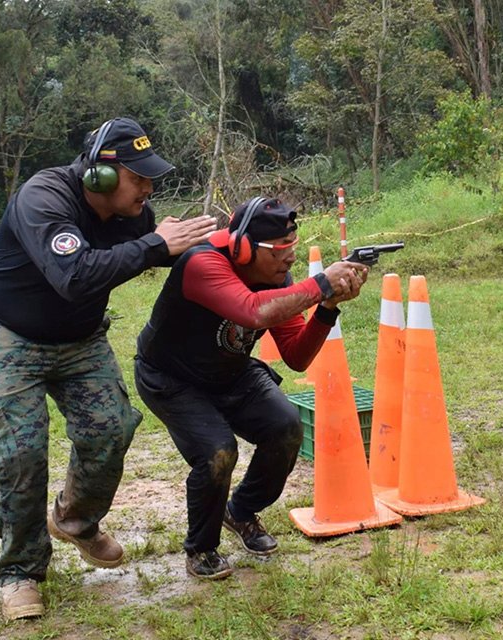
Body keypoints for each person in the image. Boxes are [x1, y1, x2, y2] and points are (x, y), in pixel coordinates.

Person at [0, 117, 216, 621]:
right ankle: (21, 572)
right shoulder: (44, 198)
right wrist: (155, 245)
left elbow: (165, 252)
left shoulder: (132, 214)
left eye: (150, 179)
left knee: (112, 429)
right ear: (100, 173)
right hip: (8, 332)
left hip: (79, 338)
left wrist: (239, 243)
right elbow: (74, 276)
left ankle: (75, 520)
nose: (148, 189)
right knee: (20, 452)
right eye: (138, 178)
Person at [134, 196, 368, 580]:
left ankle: (240, 511)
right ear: (244, 248)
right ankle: (201, 547)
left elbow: (296, 356)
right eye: (279, 250)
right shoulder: (202, 263)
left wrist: (326, 307)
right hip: (172, 378)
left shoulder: (277, 277)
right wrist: (321, 283)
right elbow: (253, 311)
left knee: (286, 427)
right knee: (218, 451)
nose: (290, 258)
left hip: (230, 371)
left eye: (292, 246)